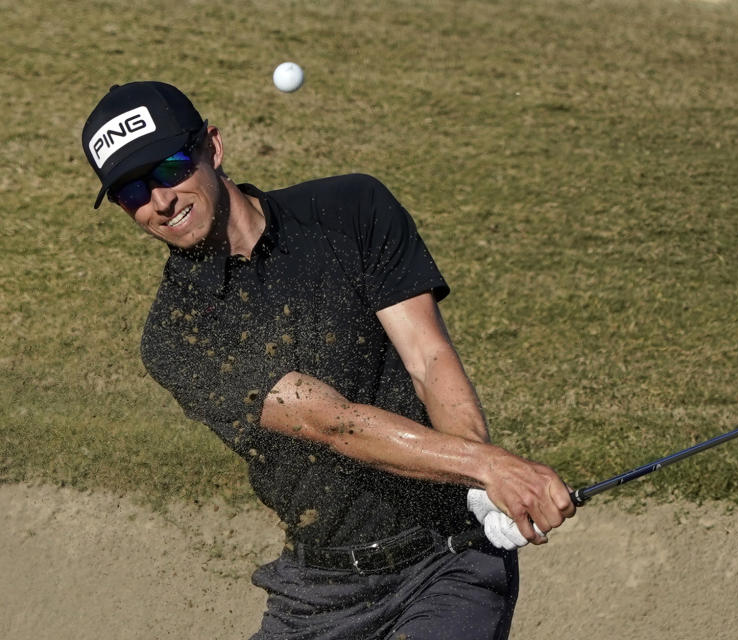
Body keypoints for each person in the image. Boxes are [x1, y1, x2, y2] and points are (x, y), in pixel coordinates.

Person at [81, 81, 575, 639]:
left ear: (212, 148)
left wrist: (478, 483)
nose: (160, 201)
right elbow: (331, 421)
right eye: (131, 192)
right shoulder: (177, 335)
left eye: (170, 168)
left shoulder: (350, 209)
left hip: (448, 562)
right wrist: (485, 466)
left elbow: (428, 357)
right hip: (318, 593)